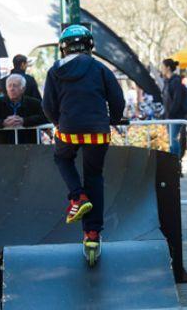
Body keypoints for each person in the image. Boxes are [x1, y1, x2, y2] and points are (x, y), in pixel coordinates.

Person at [42, 24, 125, 257]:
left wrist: (59, 122)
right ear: (89, 46)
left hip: (68, 130)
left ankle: (77, 196)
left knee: (62, 158)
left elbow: (47, 105)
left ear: (63, 49)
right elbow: (117, 99)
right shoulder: (99, 68)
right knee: (94, 176)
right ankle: (92, 234)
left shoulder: (54, 70)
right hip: (98, 131)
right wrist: (115, 119)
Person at [0, 74, 47, 144]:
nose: (12, 89)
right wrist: (3, 122)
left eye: (15, 85)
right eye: (9, 86)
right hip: (5, 147)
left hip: (29, 146)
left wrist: (24, 121)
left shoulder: (34, 103)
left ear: (23, 89)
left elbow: (46, 117)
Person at [160, 58, 187, 159]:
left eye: (163, 67)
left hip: (175, 116)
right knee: (172, 140)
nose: (161, 69)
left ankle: (176, 163)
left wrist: (171, 113)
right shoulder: (168, 81)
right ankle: (175, 163)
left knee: (173, 140)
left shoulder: (175, 81)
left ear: (168, 68)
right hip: (170, 116)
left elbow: (177, 100)